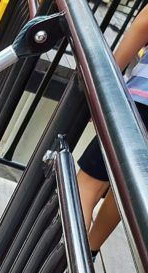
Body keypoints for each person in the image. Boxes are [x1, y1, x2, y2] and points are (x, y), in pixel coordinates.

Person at [77, 6, 148, 249]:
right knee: (128, 186)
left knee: (87, 185)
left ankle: (61, 265)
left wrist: (106, 79)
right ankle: (91, 250)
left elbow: (144, 22)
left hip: (145, 101)